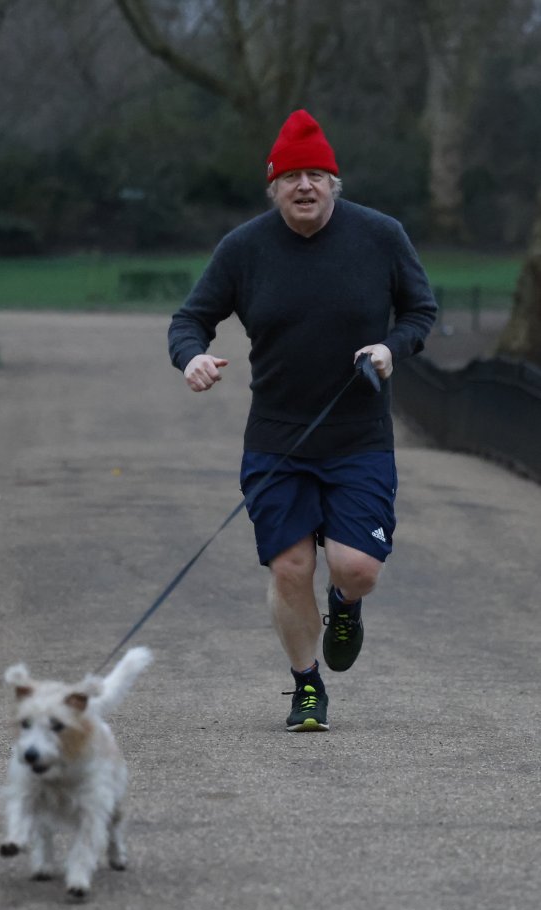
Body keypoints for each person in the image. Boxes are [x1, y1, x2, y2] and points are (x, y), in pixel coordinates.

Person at [168, 109, 437, 732]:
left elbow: (421, 310)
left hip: (359, 437)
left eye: (317, 175)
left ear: (334, 183)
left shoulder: (381, 236)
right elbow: (190, 320)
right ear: (274, 186)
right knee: (290, 568)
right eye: (292, 177)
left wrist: (391, 349)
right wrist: (194, 358)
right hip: (277, 440)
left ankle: (345, 605)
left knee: (357, 568)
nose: (305, 186)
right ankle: (306, 686)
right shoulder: (244, 248)